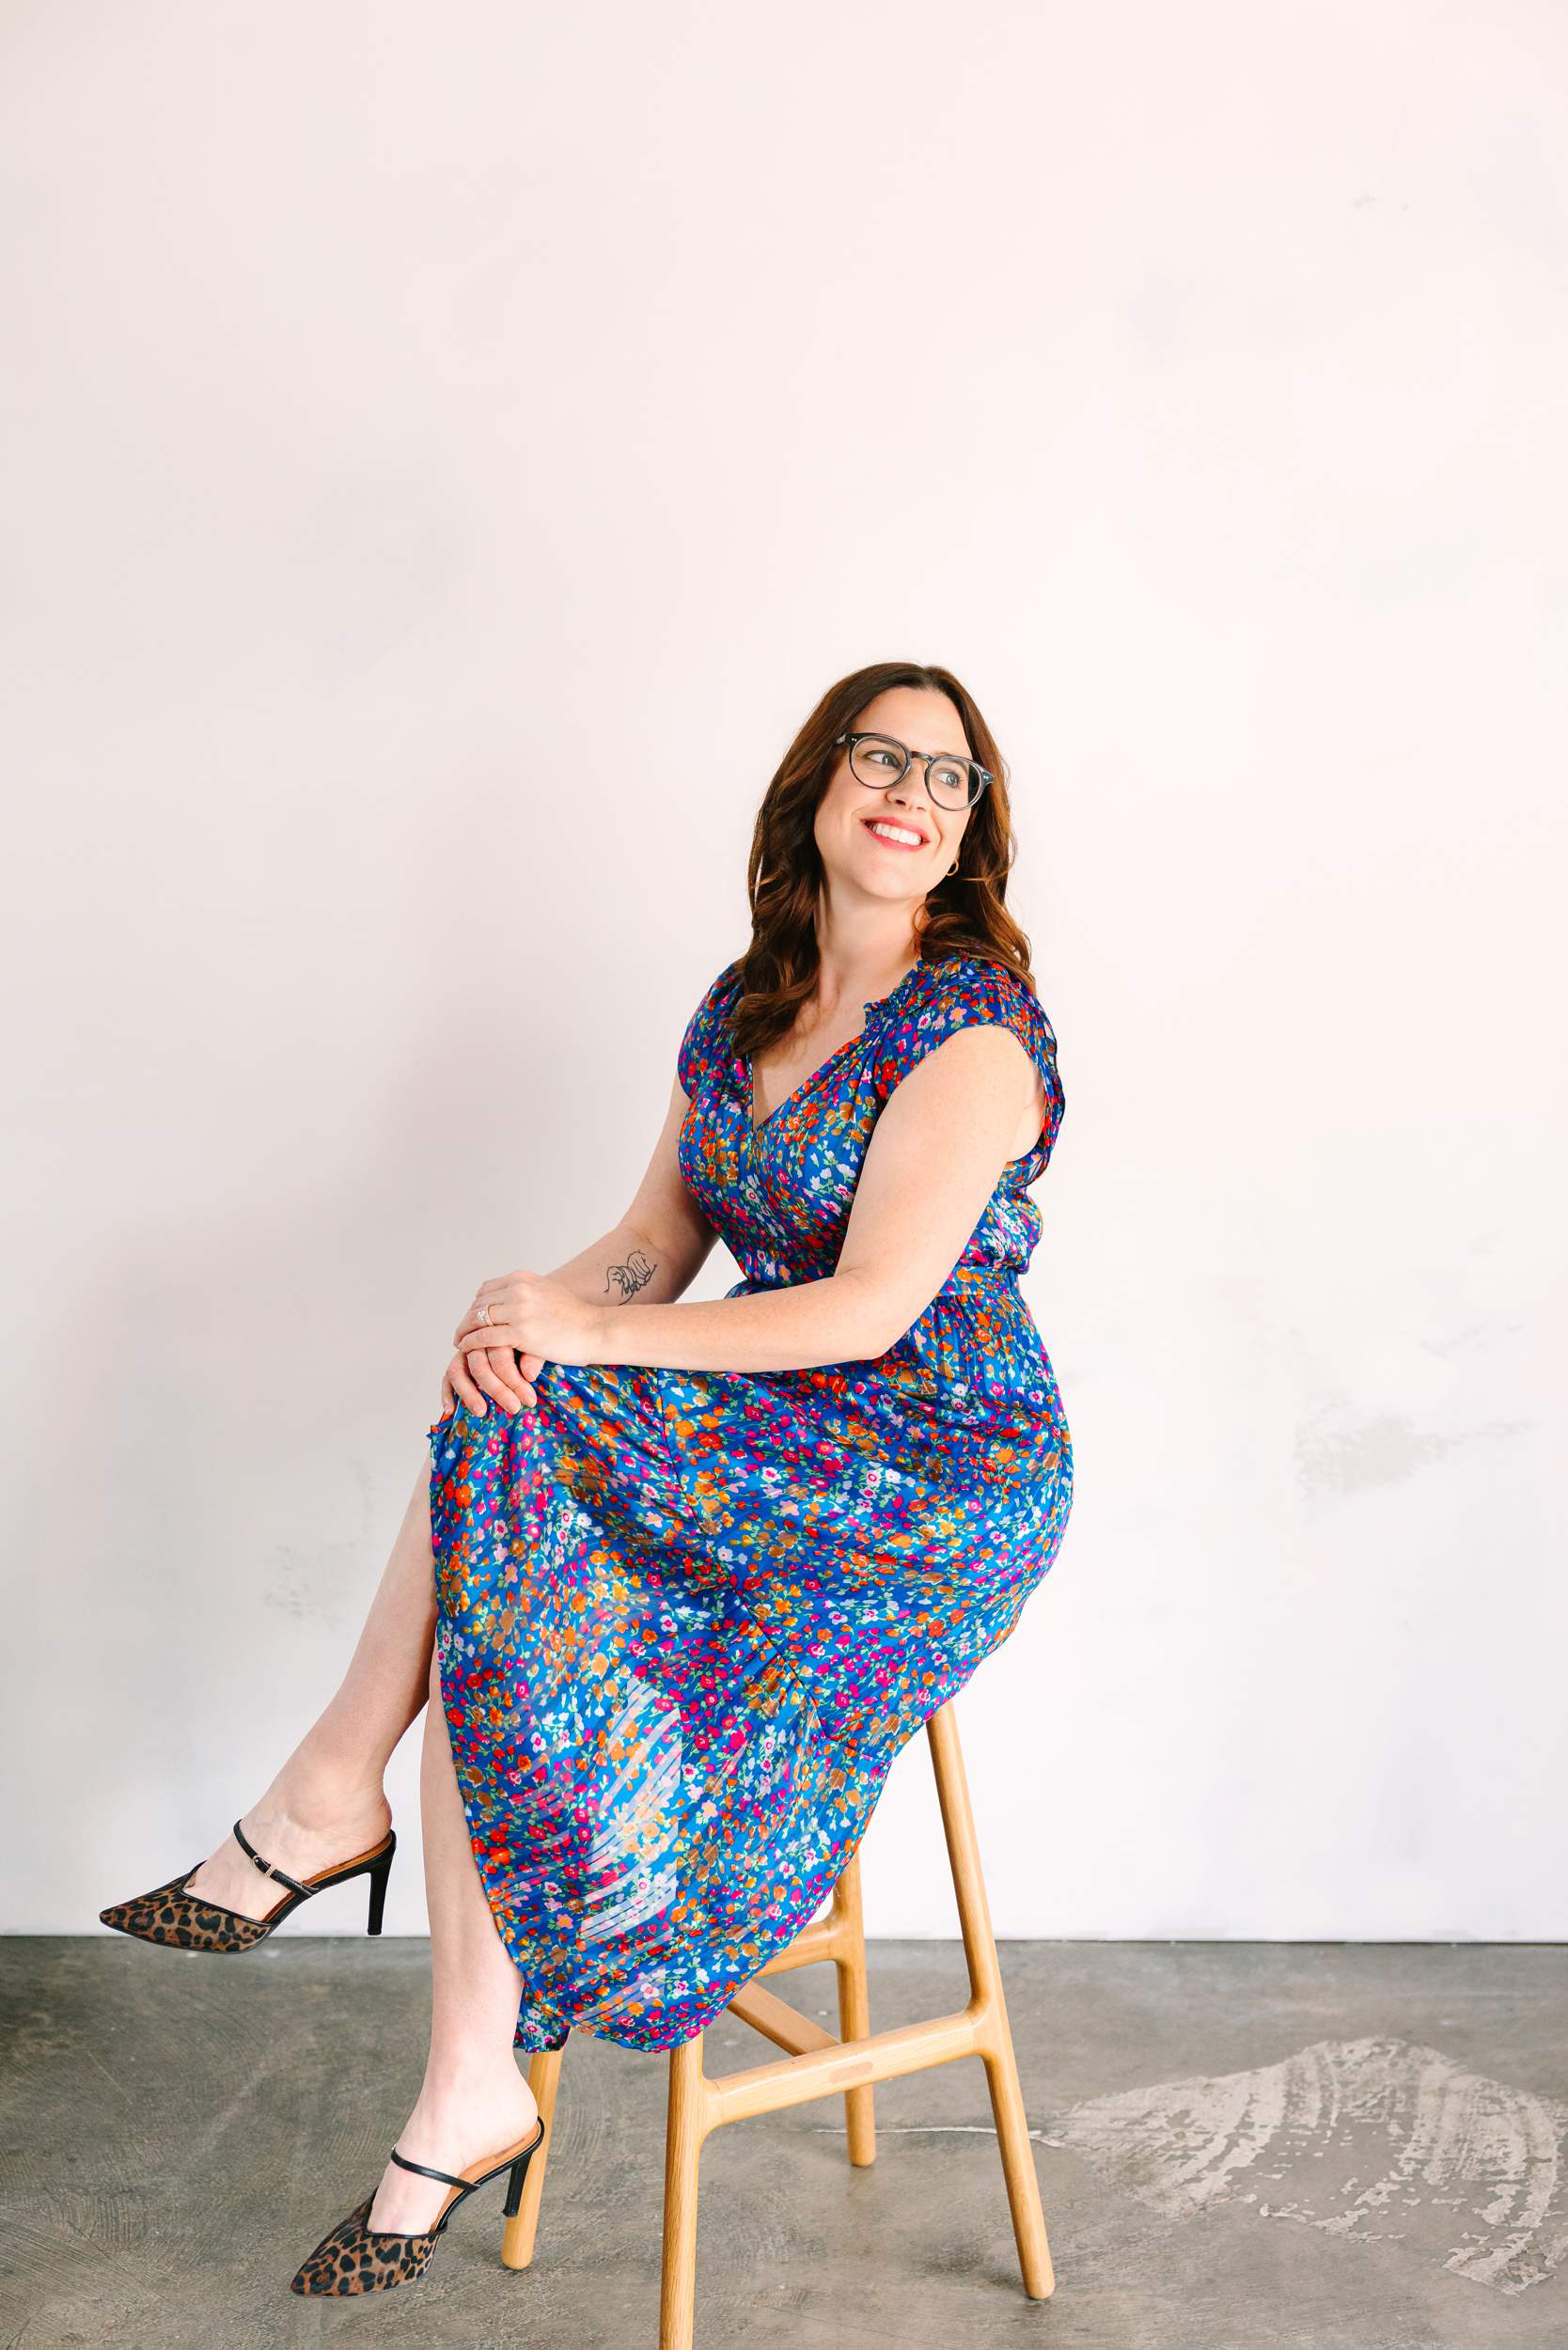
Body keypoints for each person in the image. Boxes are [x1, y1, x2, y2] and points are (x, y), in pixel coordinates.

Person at [99, 659, 1075, 2296]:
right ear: (816, 789)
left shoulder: (971, 1038)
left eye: (951, 778)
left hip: (934, 1464)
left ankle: (328, 1809)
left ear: (974, 832)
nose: (912, 792)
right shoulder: (746, 1005)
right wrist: (522, 1321)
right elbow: (652, 1249)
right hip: (773, 1427)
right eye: (880, 758)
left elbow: (866, 1310)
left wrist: (574, 1344)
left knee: (528, 1432)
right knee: (507, 1428)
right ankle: (457, 2067)